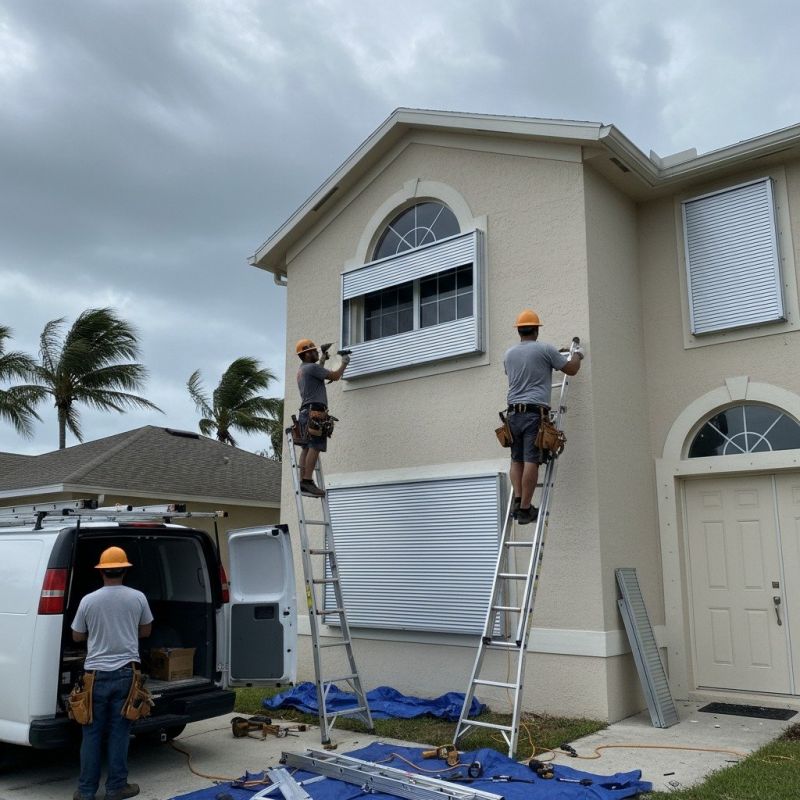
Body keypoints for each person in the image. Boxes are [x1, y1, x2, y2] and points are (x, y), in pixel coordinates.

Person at [71, 546, 153, 800]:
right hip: (126, 675)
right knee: (120, 733)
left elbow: (77, 636)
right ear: (124, 571)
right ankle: (117, 787)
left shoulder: (88, 600)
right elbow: (146, 632)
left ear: (102, 572)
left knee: (91, 734)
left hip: (94, 676)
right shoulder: (138, 597)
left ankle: (86, 792)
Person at [504, 309, 583, 524]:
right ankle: (526, 509)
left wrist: (549, 357)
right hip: (533, 415)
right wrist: (578, 354)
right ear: (536, 330)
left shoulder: (509, 354)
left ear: (519, 331)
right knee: (531, 460)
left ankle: (519, 500)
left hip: (512, 415)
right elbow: (572, 369)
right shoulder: (545, 349)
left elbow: (526, 366)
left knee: (516, 459)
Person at [295, 338, 350, 496]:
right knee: (315, 446)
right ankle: (307, 481)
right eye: (313, 351)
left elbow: (317, 373)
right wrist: (344, 362)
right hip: (316, 412)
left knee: (306, 447)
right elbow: (334, 376)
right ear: (306, 355)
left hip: (306, 412)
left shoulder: (303, 369)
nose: (316, 353)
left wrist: (323, 359)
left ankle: (302, 481)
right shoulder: (311, 368)